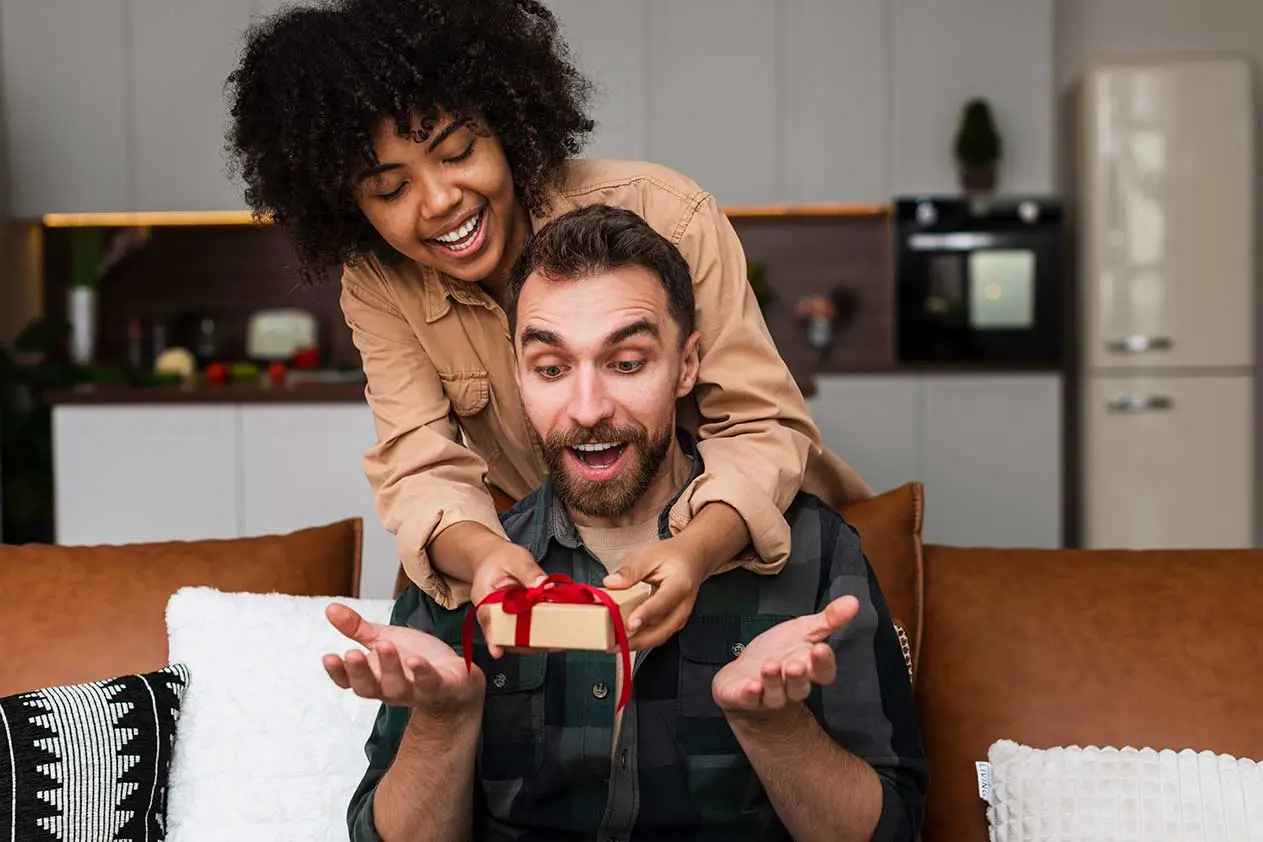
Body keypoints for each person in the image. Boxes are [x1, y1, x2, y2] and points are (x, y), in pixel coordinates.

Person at [225, 0, 873, 650]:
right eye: (390, 190)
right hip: (569, 572)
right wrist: (483, 557)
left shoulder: (663, 213)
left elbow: (759, 424)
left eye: (455, 152)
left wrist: (695, 549)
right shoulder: (378, 282)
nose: (439, 199)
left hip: (751, 553)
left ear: (504, 124)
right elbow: (420, 468)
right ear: (346, 205)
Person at [323, 205, 928, 842]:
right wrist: (443, 720)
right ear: (519, 376)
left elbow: (894, 831)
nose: (587, 410)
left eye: (628, 362)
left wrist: (774, 726)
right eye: (552, 369)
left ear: (687, 365)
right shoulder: (471, 566)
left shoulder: (814, 551)